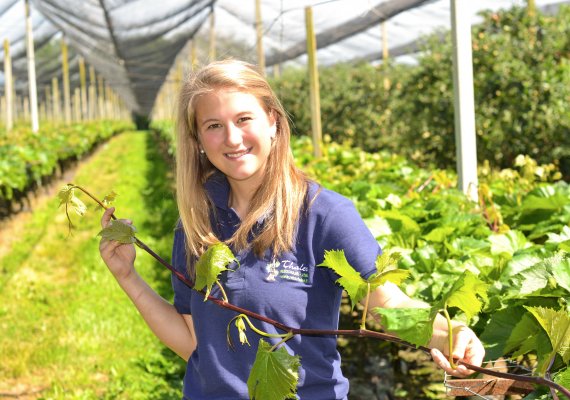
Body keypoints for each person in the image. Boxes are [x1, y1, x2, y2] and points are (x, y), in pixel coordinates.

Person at [99, 59, 485, 399]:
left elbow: (387, 304)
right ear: (198, 140)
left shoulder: (324, 214)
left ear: (273, 122)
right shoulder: (197, 224)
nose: (232, 138)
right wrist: (127, 277)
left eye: (244, 119)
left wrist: (448, 334)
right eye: (214, 125)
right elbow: (195, 342)